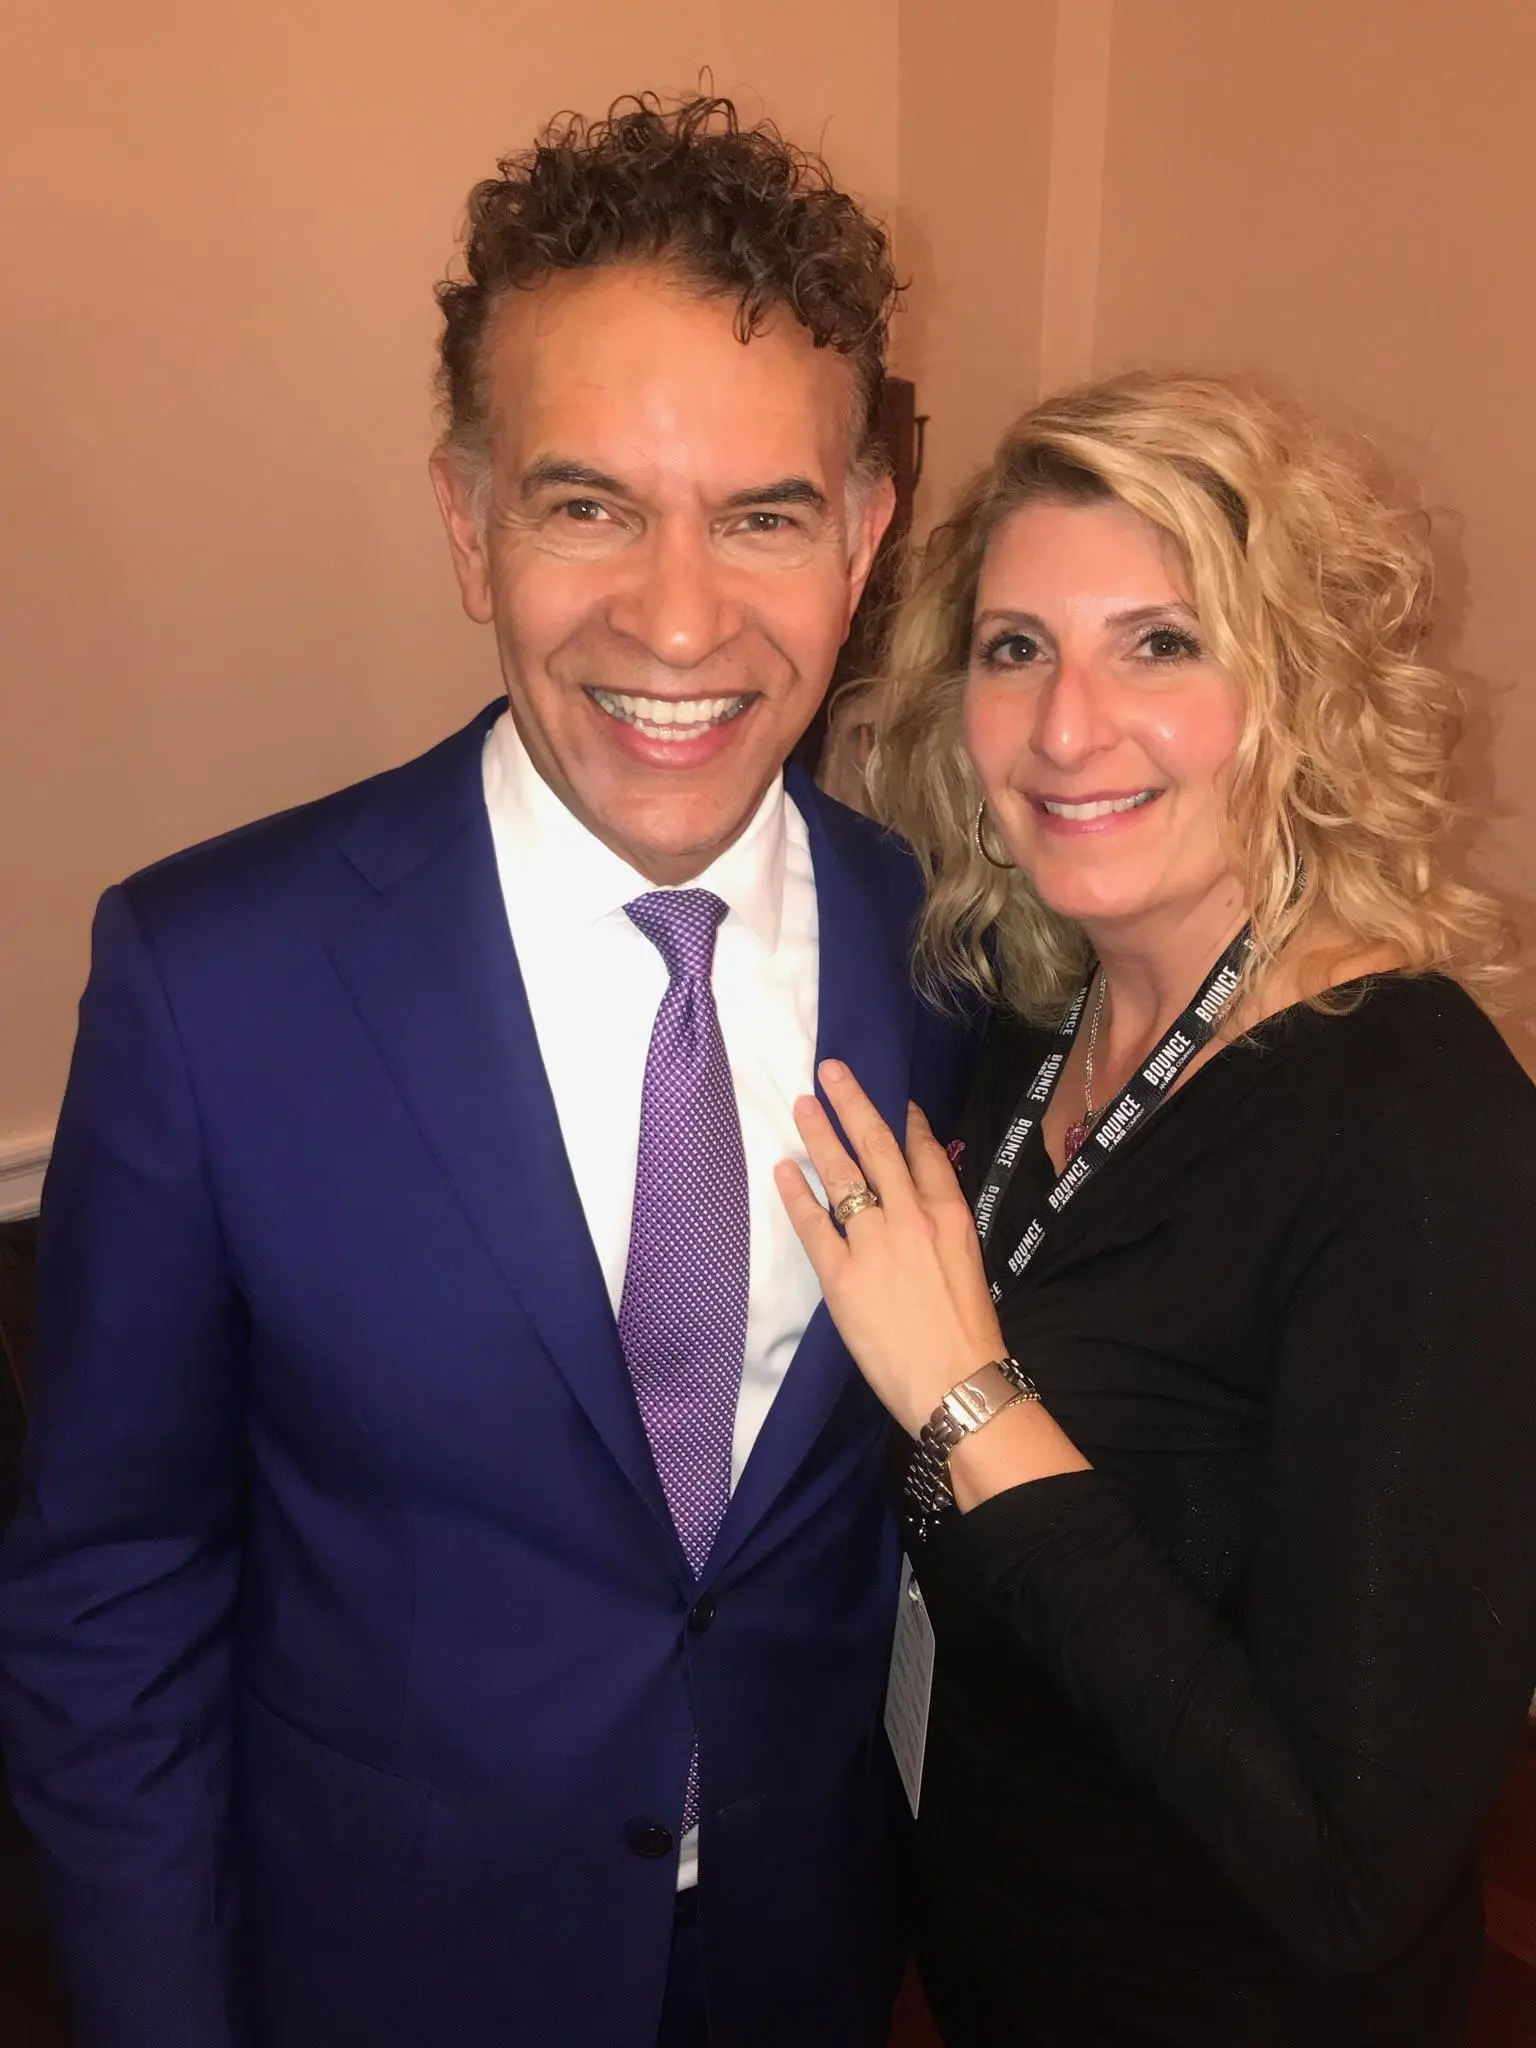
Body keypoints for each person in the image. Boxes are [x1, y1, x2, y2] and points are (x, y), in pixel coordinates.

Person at [0, 96, 975, 2048]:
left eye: (765, 514)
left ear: (865, 537)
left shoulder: (937, 948)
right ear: (469, 522)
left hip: (801, 1954)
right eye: (586, 504)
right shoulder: (213, 982)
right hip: (384, 1967)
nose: (679, 618)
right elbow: (114, 1592)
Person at [773, 372, 1536, 2045]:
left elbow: (1352, 1871)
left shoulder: (1422, 1130)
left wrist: (971, 1401)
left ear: (1301, 693)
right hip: (992, 1962)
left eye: (1162, 644)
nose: (1067, 728)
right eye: (1017, 648)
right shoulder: (1028, 1028)